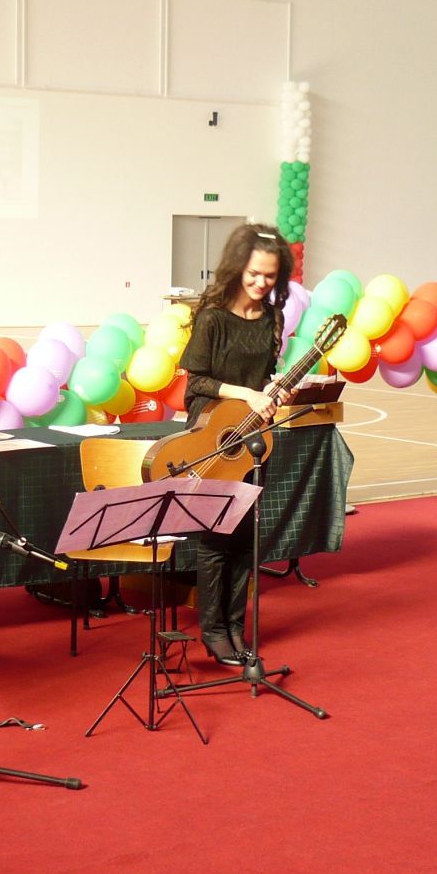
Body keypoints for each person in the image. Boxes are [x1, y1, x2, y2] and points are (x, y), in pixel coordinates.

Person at [177, 223, 294, 667]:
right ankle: (212, 630)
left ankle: (234, 627)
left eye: (270, 276)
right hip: (212, 435)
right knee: (214, 540)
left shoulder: (271, 319)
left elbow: (263, 379)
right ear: (238, 269)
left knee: (245, 539)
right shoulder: (213, 318)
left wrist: (275, 391)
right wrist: (248, 394)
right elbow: (197, 384)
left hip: (251, 437)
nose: (261, 283)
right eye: (254, 274)